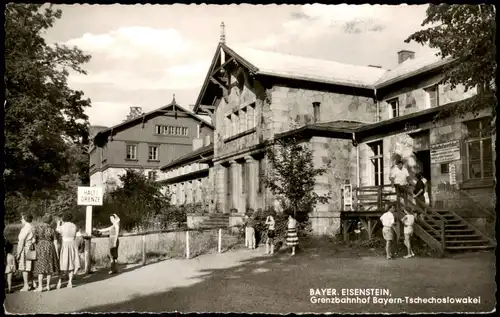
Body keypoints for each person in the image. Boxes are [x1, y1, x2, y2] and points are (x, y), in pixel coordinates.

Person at [32, 213, 60, 292]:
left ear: (43, 219)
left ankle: (40, 287)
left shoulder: (37, 228)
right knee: (49, 267)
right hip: (50, 247)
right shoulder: (52, 229)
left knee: (40, 267)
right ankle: (48, 286)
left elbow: (34, 240)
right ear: (50, 221)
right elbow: (55, 241)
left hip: (40, 248)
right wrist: (57, 254)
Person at [55, 212, 81, 289]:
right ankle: (70, 282)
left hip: (65, 244)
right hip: (73, 244)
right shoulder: (74, 226)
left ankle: (59, 282)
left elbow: (57, 230)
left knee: (63, 263)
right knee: (72, 263)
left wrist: (58, 224)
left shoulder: (62, 226)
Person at [16, 213, 37, 291]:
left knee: (24, 267)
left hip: (26, 248)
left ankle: (26, 285)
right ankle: (33, 282)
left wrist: (18, 252)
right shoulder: (33, 227)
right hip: (32, 247)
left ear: (25, 219)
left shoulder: (25, 228)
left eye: (22, 218)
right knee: (30, 266)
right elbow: (34, 239)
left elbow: (21, 241)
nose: (21, 220)